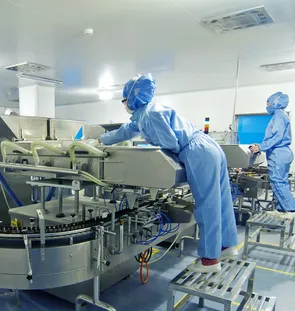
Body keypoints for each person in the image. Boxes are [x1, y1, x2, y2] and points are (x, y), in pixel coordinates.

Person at [98, 73, 238, 273]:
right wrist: (101, 140)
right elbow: (125, 131)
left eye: (124, 99)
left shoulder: (149, 115)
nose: (125, 103)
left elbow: (170, 144)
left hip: (197, 153)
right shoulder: (147, 113)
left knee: (207, 204)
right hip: (211, 148)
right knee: (222, 199)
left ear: (132, 97)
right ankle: (227, 245)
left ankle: (210, 261)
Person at [250, 92, 295, 218]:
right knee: (281, 181)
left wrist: (261, 147)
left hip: (278, 153)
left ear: (275, 103)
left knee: (277, 181)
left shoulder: (278, 116)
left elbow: (277, 137)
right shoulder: (281, 116)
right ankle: (282, 209)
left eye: (268, 103)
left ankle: (291, 209)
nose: (266, 106)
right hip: (282, 153)